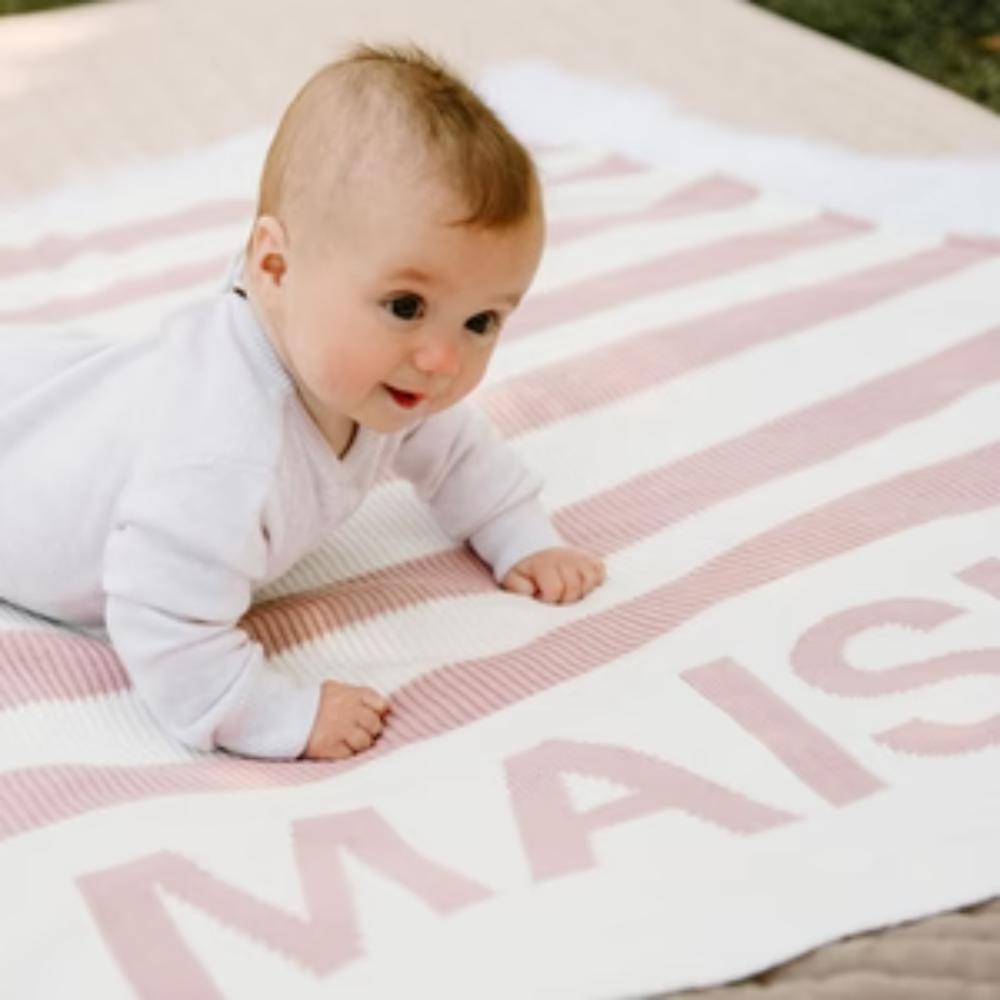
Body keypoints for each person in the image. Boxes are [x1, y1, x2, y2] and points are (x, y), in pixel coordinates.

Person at [0, 44, 605, 761]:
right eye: (405, 305)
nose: (444, 360)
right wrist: (266, 711)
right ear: (275, 266)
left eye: (481, 322)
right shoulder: (220, 453)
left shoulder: (378, 376)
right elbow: (157, 614)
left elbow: (456, 451)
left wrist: (517, 530)